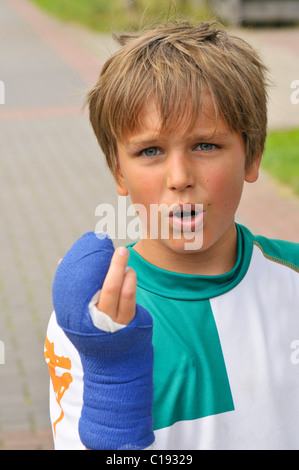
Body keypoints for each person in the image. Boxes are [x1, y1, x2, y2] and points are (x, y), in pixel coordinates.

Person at [44, 19, 299, 450]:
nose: (179, 177)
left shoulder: (291, 277)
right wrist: (115, 376)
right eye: (150, 151)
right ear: (118, 172)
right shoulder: (98, 316)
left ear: (252, 156)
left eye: (205, 146)